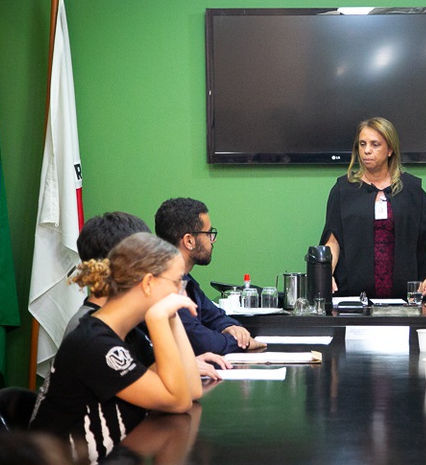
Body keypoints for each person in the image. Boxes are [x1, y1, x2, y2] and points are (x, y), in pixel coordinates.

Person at [29, 233, 203, 464]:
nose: (182, 291)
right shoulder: (94, 343)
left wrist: (172, 316)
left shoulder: (129, 336)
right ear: (149, 283)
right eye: (177, 282)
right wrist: (159, 317)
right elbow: (178, 401)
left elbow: (191, 389)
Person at [64, 211, 230, 380]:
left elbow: (148, 370)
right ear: (130, 265)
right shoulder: (89, 335)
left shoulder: (132, 328)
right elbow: (175, 398)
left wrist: (186, 363)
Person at [320, 117, 426, 298]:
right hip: (354, 297)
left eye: (375, 144)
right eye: (362, 144)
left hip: (405, 298)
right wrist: (327, 273)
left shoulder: (411, 189)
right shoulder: (343, 190)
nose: (366, 151)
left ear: (390, 150)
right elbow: (333, 240)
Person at [155, 197, 264, 354]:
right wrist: (239, 342)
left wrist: (230, 327)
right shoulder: (165, 284)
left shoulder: (186, 280)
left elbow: (216, 316)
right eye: (209, 234)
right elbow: (200, 342)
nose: (213, 241)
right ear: (189, 241)